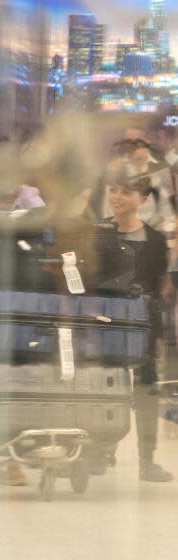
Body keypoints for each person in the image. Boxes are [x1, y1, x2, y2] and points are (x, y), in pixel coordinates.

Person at [100, 170, 173, 482]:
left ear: (142, 200)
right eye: (114, 190)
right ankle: (100, 450)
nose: (117, 197)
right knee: (102, 386)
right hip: (103, 322)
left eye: (127, 192)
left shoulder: (156, 241)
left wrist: (159, 334)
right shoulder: (97, 232)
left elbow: (161, 287)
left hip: (144, 325)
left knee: (145, 391)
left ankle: (147, 460)